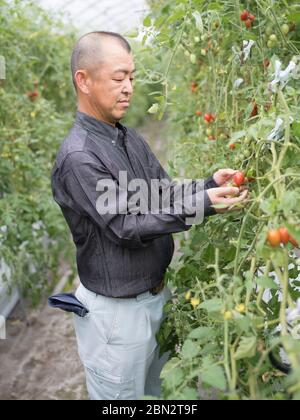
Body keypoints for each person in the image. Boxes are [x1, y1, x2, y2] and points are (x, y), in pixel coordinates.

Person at [51, 31, 248, 400]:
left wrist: (208, 185)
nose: (128, 87)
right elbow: (125, 226)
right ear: (84, 80)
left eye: (132, 77)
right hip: (117, 319)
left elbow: (162, 192)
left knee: (155, 396)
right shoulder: (80, 157)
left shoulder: (127, 137)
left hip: (155, 299)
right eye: (118, 77)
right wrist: (203, 202)